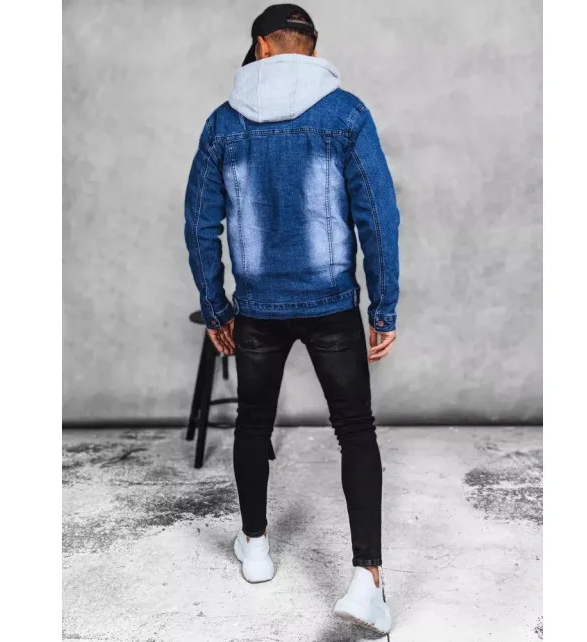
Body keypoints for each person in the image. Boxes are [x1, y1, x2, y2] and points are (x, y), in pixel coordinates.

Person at [183, 4, 399, 635]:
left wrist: (216, 306)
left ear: (261, 46)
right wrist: (382, 306)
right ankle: (367, 579)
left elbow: (199, 224)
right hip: (331, 304)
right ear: (311, 47)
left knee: (253, 424)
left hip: (256, 307)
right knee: (355, 431)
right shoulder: (345, 113)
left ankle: (255, 549)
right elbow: (378, 216)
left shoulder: (223, 123)